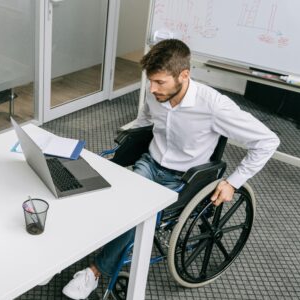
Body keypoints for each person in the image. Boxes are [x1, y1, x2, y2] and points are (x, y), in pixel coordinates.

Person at [62, 39, 280, 299]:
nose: (152, 89)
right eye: (150, 81)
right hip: (150, 163)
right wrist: (125, 146)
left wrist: (233, 182)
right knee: (104, 192)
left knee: (135, 215)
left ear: (184, 75)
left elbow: (268, 141)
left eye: (160, 82)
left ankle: (95, 272)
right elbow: (145, 121)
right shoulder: (156, 93)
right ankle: (64, 254)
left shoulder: (213, 106)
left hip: (184, 181)